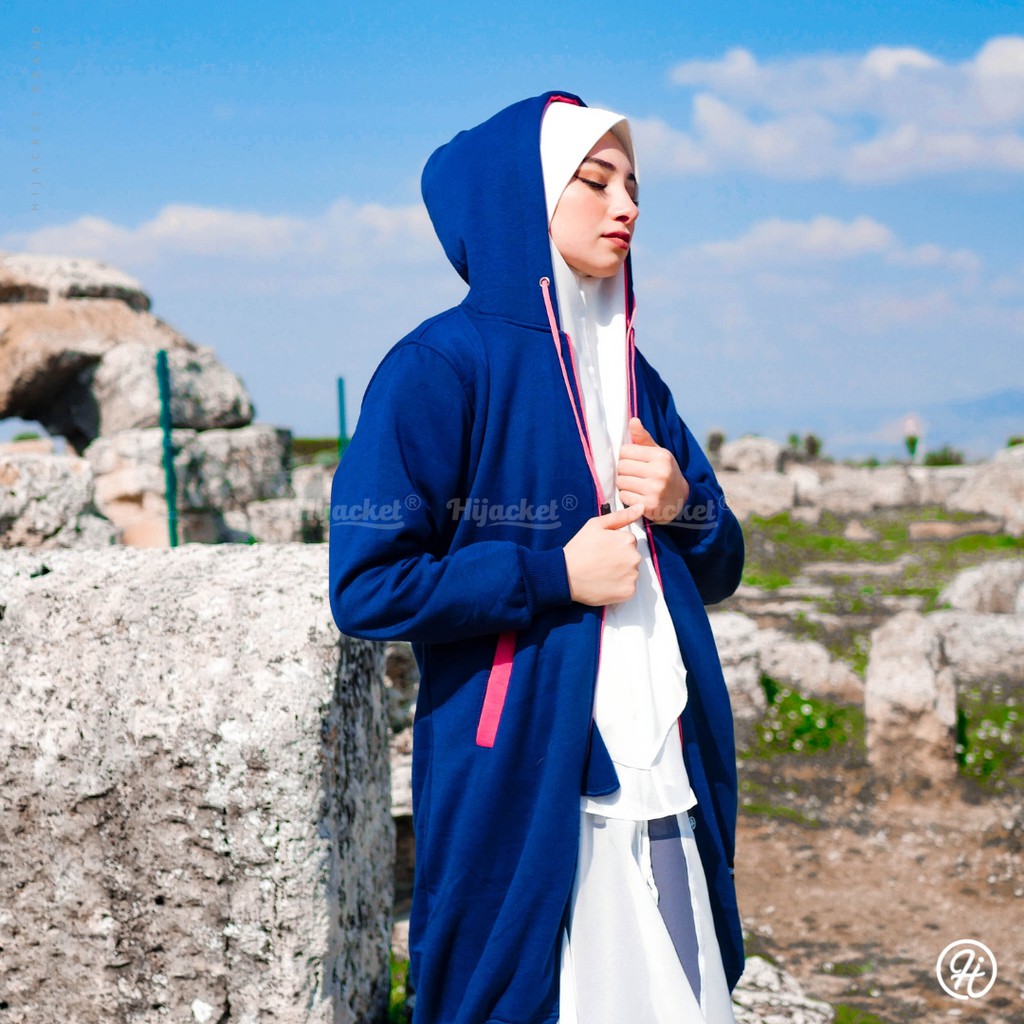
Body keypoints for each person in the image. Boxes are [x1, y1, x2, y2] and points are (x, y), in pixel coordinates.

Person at [329, 90, 745, 1024]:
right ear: (524, 196)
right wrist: (555, 577)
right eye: (594, 183)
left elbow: (721, 566)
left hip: (665, 764)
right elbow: (366, 585)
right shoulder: (438, 366)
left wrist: (683, 507)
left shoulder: (639, 377)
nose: (625, 206)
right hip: (521, 762)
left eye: (633, 187)